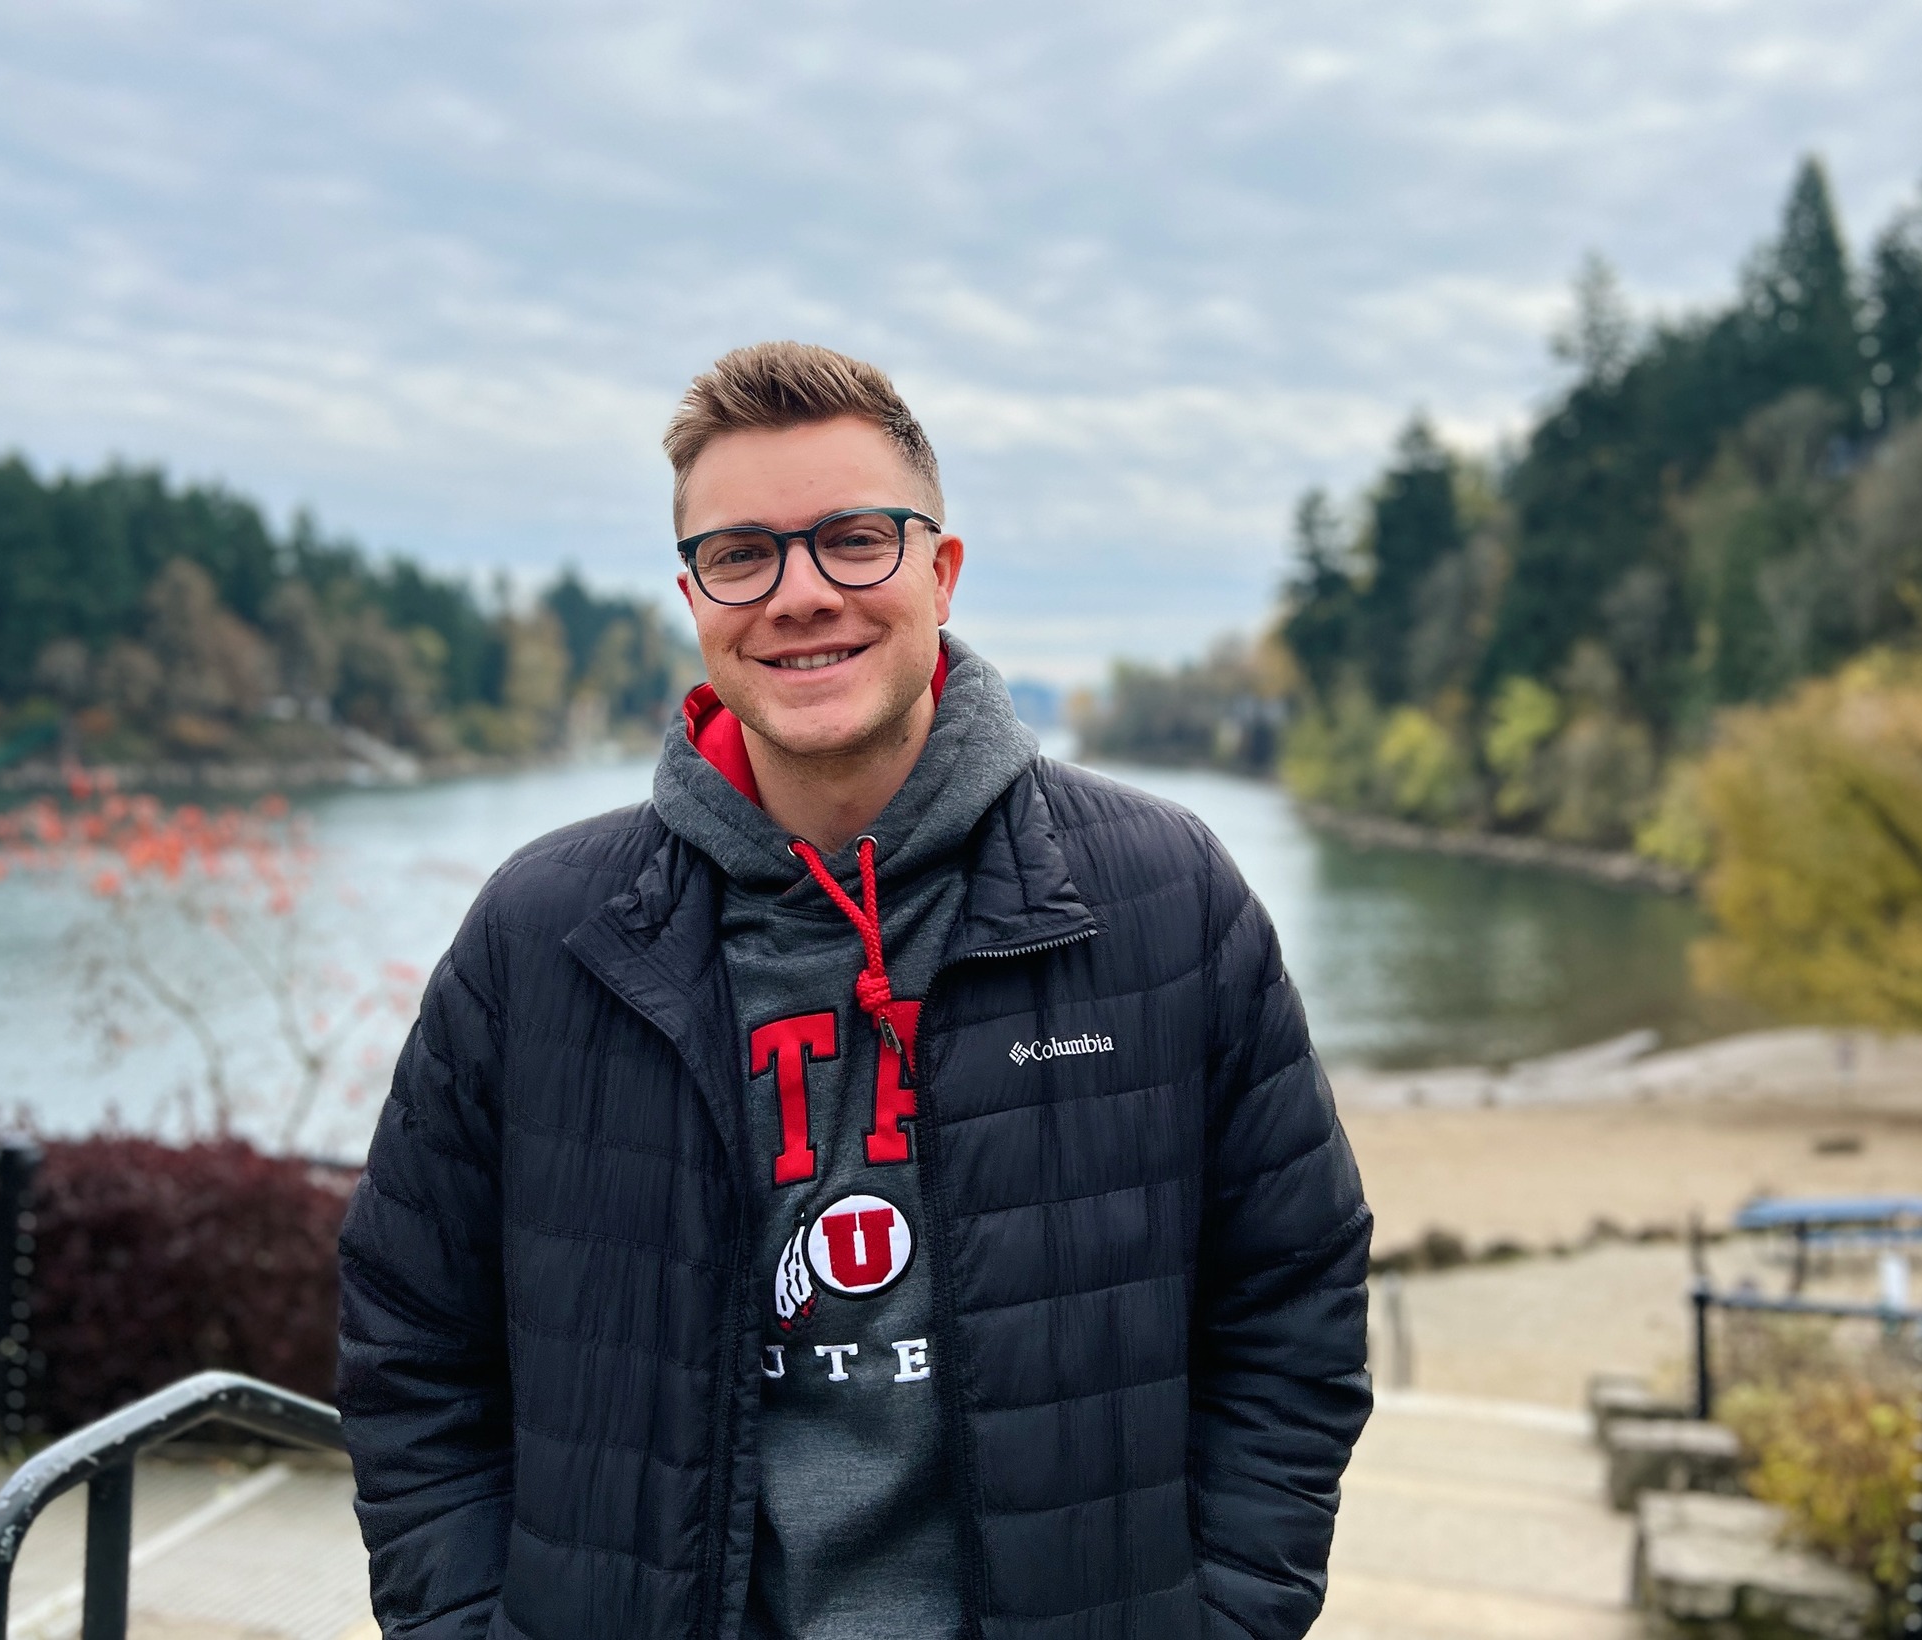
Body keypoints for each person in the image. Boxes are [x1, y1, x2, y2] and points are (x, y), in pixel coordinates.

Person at [337, 341, 1372, 1640]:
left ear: (940, 571)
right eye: (742, 555)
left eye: (854, 541)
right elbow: (411, 1339)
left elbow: (1292, 1303)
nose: (800, 593)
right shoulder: (544, 935)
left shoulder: (1163, 898)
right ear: (695, 597)